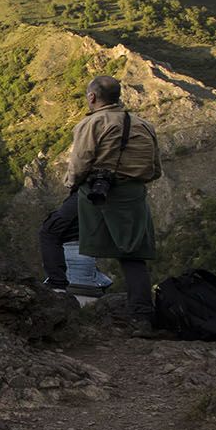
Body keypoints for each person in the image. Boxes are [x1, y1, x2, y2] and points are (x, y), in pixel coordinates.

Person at [63, 75, 162, 322]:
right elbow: (155, 169)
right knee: (132, 257)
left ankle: (59, 298)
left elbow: (80, 163)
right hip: (134, 197)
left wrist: (72, 185)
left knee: (53, 231)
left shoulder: (93, 123)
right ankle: (143, 318)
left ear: (93, 97)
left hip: (96, 195)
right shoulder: (144, 124)